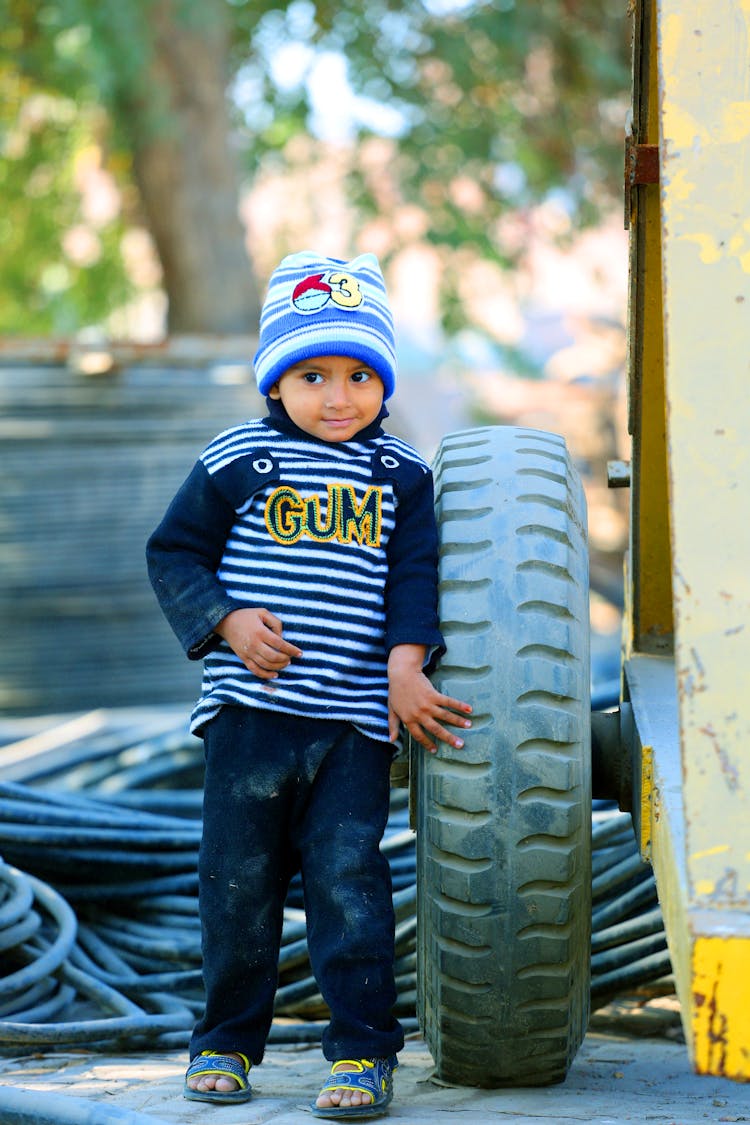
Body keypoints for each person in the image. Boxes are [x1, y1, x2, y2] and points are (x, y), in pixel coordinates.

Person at [146, 251, 472, 1119]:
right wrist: (225, 619)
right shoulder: (239, 459)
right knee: (238, 883)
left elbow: (416, 578)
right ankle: (224, 1041)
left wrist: (407, 666)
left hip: (354, 726)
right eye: (314, 373)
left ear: (385, 381)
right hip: (250, 717)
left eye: (362, 375)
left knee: (348, 883)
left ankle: (363, 1051)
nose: (340, 396)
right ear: (275, 379)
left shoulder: (400, 474)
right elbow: (173, 551)